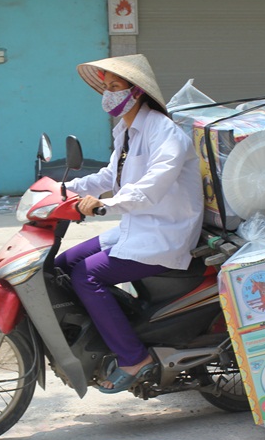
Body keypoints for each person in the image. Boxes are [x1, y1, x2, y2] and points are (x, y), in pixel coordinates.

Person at [55, 54, 204, 394]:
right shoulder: (126, 129)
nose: (107, 93)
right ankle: (104, 335)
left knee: (86, 275)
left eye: (115, 86)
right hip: (137, 227)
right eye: (105, 87)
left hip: (163, 232)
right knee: (62, 265)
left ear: (136, 91)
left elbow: (150, 188)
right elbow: (112, 175)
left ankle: (134, 358)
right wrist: (64, 189)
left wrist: (103, 204)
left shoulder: (165, 133)